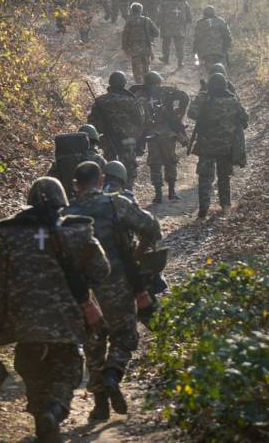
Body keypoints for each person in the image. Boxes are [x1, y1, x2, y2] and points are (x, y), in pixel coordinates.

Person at [0, 177, 110, 443]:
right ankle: (54, 410)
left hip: (25, 321)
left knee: (31, 368)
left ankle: (42, 414)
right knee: (68, 369)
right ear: (62, 200)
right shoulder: (79, 231)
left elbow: (2, 283)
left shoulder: (11, 234)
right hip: (66, 320)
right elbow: (101, 271)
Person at [65, 162, 162, 424]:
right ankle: (113, 373)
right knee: (125, 337)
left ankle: (100, 406)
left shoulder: (66, 214)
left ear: (75, 185)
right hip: (117, 284)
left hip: (84, 293)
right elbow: (152, 228)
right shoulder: (116, 204)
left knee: (93, 344)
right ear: (100, 180)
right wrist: (137, 256)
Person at [188, 73, 248, 218]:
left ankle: (203, 208)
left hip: (206, 146)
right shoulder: (233, 100)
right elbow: (245, 118)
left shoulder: (204, 98)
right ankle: (225, 206)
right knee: (224, 177)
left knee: (205, 177)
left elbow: (191, 113)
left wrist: (202, 97)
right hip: (226, 147)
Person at [135, 71, 190, 203]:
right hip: (167, 133)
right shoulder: (166, 91)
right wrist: (179, 114)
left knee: (155, 163)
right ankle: (171, 193)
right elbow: (185, 96)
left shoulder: (140, 93)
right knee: (170, 161)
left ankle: (158, 195)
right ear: (157, 81)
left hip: (151, 134)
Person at [88, 71, 144, 189]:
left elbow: (92, 123)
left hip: (108, 140)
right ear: (124, 83)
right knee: (129, 167)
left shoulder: (100, 101)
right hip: (127, 140)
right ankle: (128, 193)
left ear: (110, 83)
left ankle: (111, 192)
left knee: (110, 167)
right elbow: (140, 121)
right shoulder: (130, 100)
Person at [122, 2, 160, 84]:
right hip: (146, 48)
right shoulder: (147, 20)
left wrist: (125, 49)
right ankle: (147, 86)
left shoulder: (129, 22)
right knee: (146, 69)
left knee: (136, 71)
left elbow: (125, 36)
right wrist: (149, 35)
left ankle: (139, 88)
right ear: (141, 10)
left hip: (134, 49)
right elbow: (157, 33)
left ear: (132, 11)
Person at [156, 0, 192, 67]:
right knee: (179, 45)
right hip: (179, 27)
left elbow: (160, 15)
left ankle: (165, 58)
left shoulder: (164, 3)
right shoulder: (183, 3)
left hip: (167, 27)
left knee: (166, 44)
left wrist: (157, 24)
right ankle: (180, 61)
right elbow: (188, 14)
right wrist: (188, 22)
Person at [192, 5, 232, 73]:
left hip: (205, 51)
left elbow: (197, 38)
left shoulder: (199, 23)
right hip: (219, 50)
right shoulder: (221, 21)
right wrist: (227, 45)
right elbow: (227, 35)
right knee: (220, 68)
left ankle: (211, 80)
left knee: (209, 69)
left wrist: (195, 48)